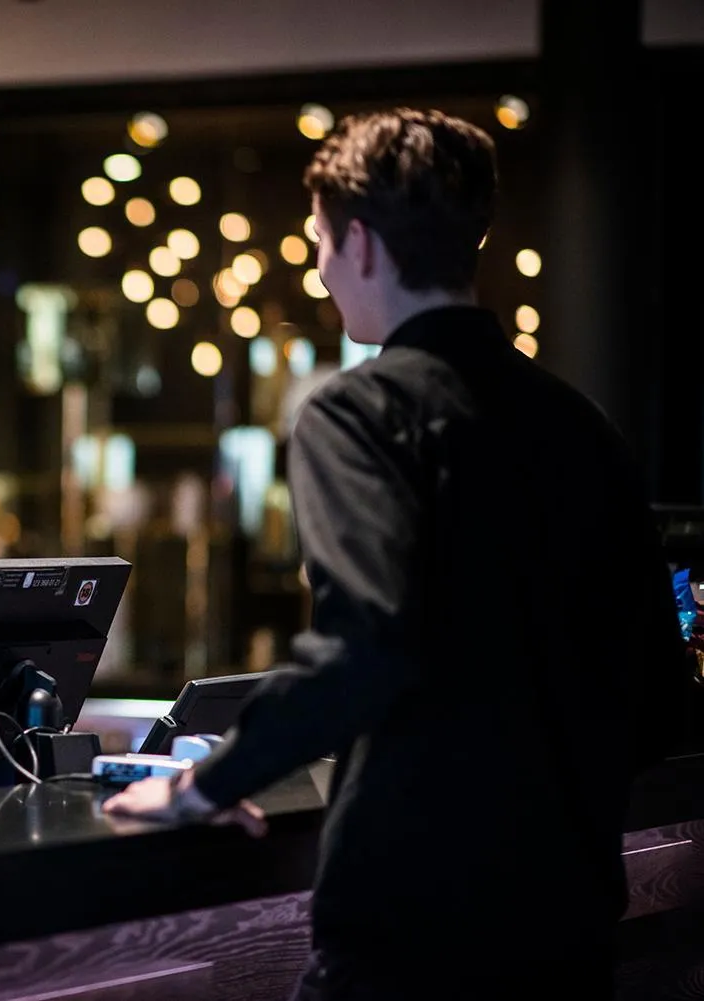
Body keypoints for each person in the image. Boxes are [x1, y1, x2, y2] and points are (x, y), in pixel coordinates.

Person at [103, 108, 689, 998]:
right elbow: (658, 703)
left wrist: (200, 788)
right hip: (567, 941)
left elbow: (364, 642)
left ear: (364, 246)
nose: (320, 267)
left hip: (411, 943)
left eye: (320, 243)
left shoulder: (357, 414)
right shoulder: (585, 428)